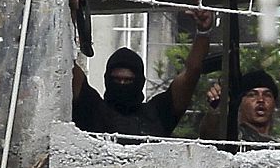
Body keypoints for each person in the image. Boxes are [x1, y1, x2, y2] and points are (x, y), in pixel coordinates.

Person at [71, 8, 213, 137]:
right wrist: (70, 8)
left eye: (128, 80)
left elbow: (191, 73)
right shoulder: (93, 110)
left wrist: (203, 33)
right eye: (116, 79)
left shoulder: (158, 114)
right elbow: (66, 65)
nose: (122, 84)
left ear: (140, 81)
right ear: (107, 79)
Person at [199, 69, 280, 142]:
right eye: (252, 95)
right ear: (240, 102)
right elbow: (211, 137)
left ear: (274, 103)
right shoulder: (232, 137)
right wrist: (216, 109)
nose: (261, 100)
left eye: (267, 95)